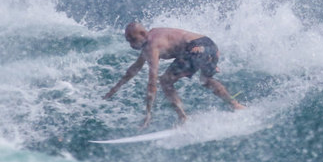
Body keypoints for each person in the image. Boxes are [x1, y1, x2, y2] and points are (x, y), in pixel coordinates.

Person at [104, 22, 245, 129]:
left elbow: (152, 83)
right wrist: (113, 90)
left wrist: (148, 115)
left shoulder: (152, 46)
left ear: (142, 34)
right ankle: (236, 106)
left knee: (165, 81)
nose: (131, 44)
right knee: (206, 80)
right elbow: (134, 69)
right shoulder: (151, 38)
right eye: (128, 41)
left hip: (197, 49)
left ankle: (183, 118)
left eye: (133, 40)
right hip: (209, 45)